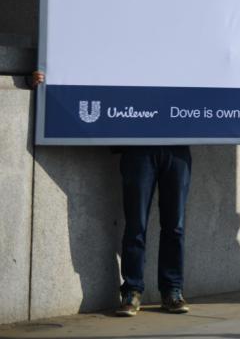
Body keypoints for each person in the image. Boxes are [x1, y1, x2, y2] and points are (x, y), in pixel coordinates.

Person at [30, 71, 192, 317]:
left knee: (175, 225)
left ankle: (172, 290)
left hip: (177, 144)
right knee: (136, 225)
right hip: (137, 145)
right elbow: (85, 64)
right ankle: (132, 291)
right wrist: (46, 78)